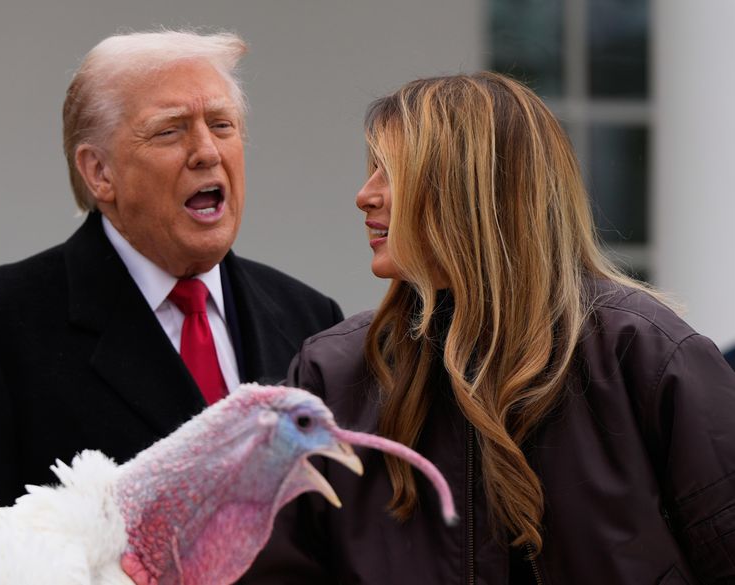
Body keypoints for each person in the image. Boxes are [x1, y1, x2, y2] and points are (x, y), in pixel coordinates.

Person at [242, 73, 735, 584]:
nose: (364, 196)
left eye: (392, 172)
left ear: (470, 189)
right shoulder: (332, 373)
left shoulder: (645, 353)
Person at [0, 30, 343, 507]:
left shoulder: (312, 322)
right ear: (99, 172)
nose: (208, 151)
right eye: (170, 130)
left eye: (222, 125)